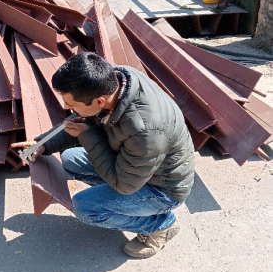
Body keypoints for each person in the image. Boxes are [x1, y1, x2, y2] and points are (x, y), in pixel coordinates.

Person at [12, 53, 195, 259]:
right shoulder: (117, 80)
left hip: (162, 189)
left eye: (71, 104)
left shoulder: (144, 131)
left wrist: (88, 136)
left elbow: (124, 185)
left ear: (99, 101)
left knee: (86, 208)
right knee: (71, 158)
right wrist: (43, 144)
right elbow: (83, 118)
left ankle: (160, 225)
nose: (66, 108)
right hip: (136, 167)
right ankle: (123, 205)